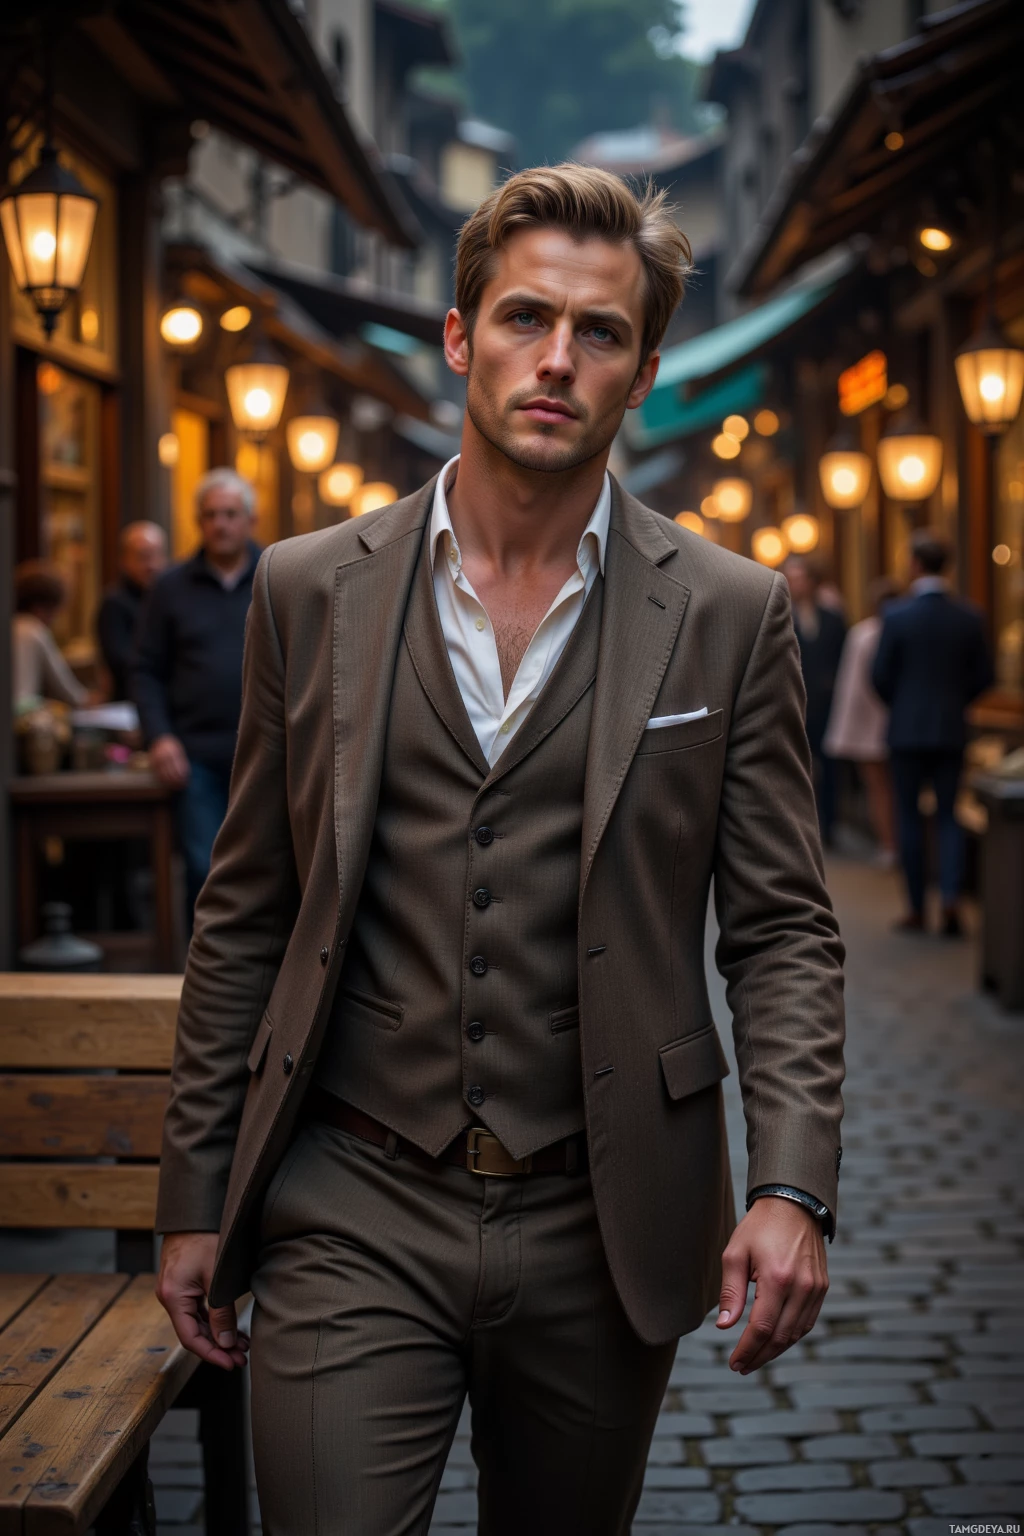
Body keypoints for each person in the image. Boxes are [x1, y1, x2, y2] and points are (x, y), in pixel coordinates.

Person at [155, 165, 846, 1536]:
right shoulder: (308, 587)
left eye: (601, 332)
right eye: (527, 317)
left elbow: (780, 928)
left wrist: (791, 1184)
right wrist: (196, 1192)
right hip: (352, 1195)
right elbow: (248, 911)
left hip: (605, 1210)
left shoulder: (729, 611)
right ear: (461, 336)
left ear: (643, 372)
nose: (558, 358)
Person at [132, 468, 259, 924]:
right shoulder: (169, 588)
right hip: (195, 758)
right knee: (205, 872)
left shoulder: (278, 575)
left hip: (266, 754)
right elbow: (145, 670)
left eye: (230, 514)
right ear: (198, 522)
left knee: (266, 873)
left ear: (250, 520)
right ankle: (204, 967)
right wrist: (159, 737)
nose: (220, 524)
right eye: (210, 515)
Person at [872, 529, 993, 936]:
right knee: (948, 814)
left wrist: (903, 705)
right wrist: (955, 702)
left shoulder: (896, 616)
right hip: (951, 729)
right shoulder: (969, 617)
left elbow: (880, 675)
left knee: (908, 816)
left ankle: (916, 907)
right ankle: (952, 898)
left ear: (914, 565)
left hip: (906, 730)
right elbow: (985, 676)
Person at [823, 578, 900, 867]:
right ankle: (895, 843)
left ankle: (889, 844)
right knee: (893, 788)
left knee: (878, 788)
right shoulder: (876, 633)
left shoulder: (865, 634)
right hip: (892, 721)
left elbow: (851, 687)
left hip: (869, 722)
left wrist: (844, 731)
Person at [782, 553, 846, 845]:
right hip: (793, 705)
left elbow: (843, 659)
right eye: (791, 579)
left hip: (828, 705)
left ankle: (829, 826)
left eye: (800, 578)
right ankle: (799, 828)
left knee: (829, 769)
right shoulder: (780, 616)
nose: (796, 584)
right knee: (796, 767)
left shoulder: (833, 617)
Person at [97, 521, 168, 701]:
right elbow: (122, 662)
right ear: (124, 560)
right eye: (143, 557)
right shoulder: (115, 603)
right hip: (131, 702)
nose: (151, 565)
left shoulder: (171, 598)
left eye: (156, 555)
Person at [12, 560, 90, 710]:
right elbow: (69, 691)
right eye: (56, 612)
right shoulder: (34, 630)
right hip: (21, 715)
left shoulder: (12, 626)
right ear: (41, 608)